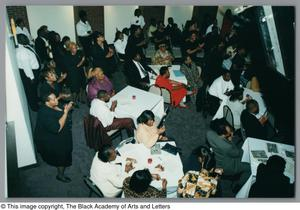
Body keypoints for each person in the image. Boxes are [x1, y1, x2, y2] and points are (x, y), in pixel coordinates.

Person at [34, 92, 73, 183]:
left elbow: (56, 105)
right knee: (62, 156)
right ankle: (60, 175)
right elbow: (57, 128)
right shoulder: (45, 113)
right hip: (52, 139)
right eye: (54, 99)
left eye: (56, 97)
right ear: (47, 102)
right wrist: (65, 112)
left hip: (57, 134)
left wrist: (59, 100)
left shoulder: (49, 105)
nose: (57, 100)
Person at [207, 118, 251, 193]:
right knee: (249, 168)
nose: (231, 132)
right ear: (222, 135)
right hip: (229, 166)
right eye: (229, 132)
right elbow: (238, 153)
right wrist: (231, 140)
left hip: (219, 160)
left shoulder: (209, 133)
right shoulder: (227, 146)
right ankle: (239, 185)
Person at [16, 34, 40, 111]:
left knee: (33, 89)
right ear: (19, 40)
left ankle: (36, 100)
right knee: (31, 91)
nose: (27, 38)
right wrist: (31, 77)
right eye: (24, 38)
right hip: (29, 73)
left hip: (32, 71)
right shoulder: (22, 51)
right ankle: (34, 107)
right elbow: (26, 66)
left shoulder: (25, 46)